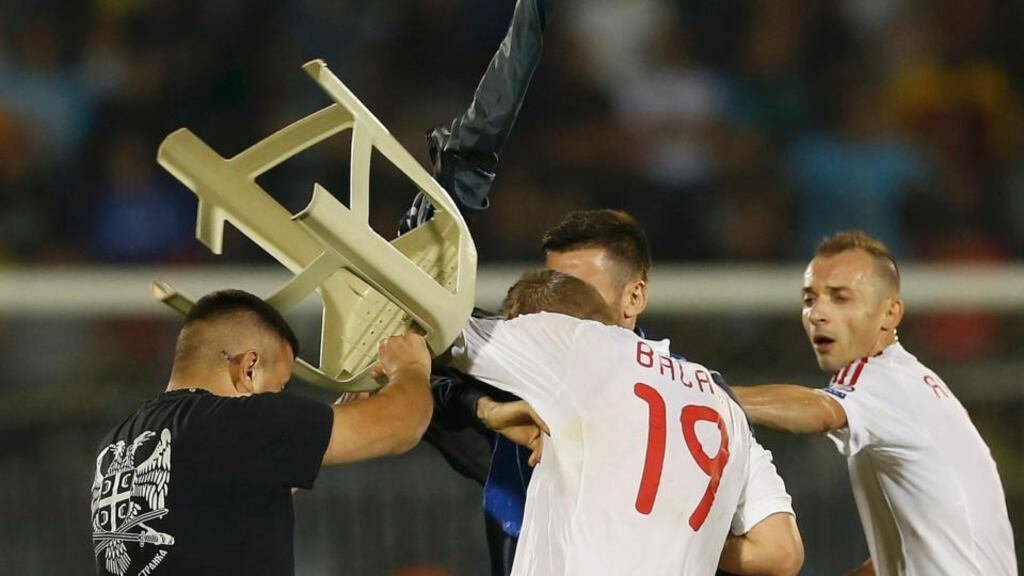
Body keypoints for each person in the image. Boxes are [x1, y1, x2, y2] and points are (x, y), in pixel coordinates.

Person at [446, 270, 803, 576]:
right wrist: (677, 532)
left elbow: (438, 330)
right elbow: (780, 551)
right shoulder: (722, 401)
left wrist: (485, 408)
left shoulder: (570, 344)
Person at [731, 231, 1017, 576]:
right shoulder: (911, 383)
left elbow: (820, 412)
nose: (818, 313)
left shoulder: (880, 379)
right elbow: (909, 554)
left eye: (840, 298)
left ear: (890, 313)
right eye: (810, 299)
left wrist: (705, 392)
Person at [90, 289, 433, 576]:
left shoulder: (118, 441)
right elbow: (402, 425)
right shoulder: (233, 420)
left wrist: (332, 426)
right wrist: (412, 366)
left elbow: (228, 493)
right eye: (279, 388)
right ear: (249, 368)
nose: (277, 400)